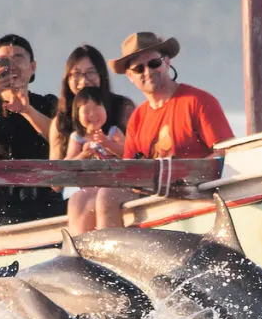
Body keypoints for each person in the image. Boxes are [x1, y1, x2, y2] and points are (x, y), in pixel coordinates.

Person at [95, 31, 234, 229]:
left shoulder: (199, 101)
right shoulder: (137, 118)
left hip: (198, 198)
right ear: (129, 76)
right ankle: (107, 257)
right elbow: (130, 169)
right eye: (138, 68)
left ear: (167, 61)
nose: (147, 71)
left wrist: (185, 175)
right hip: (153, 201)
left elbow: (227, 152)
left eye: (153, 63)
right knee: (103, 196)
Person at [0, 33, 66, 225]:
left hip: (48, 205)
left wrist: (27, 110)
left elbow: (61, 139)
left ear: (33, 67)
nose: (11, 65)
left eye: (18, 58)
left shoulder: (47, 103)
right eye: (3, 61)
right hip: (2, 210)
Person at [49, 44, 135, 234]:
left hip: (119, 187)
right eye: (76, 74)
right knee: (80, 199)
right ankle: (83, 257)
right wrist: (83, 154)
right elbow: (55, 182)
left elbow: (136, 154)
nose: (83, 80)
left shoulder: (122, 108)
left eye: (90, 72)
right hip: (80, 192)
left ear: (102, 75)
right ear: (67, 79)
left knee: (101, 195)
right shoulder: (61, 122)